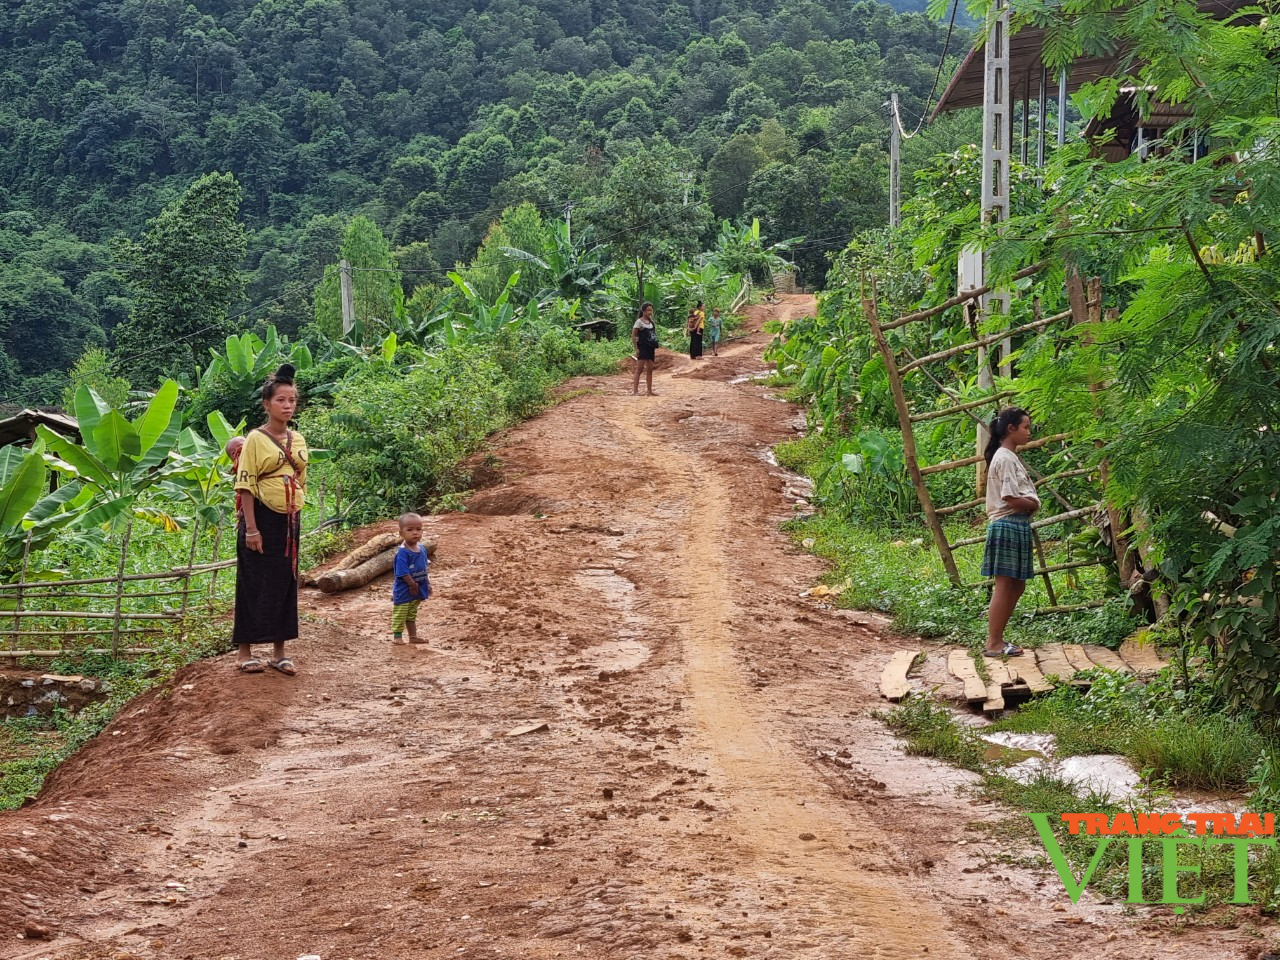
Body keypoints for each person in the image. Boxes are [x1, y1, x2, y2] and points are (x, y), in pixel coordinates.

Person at [233, 364, 309, 675]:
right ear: (267, 404)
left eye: (292, 400)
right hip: (260, 519)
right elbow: (245, 483)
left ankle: (280, 652)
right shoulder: (255, 438)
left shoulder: (299, 438)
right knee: (252, 581)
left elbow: (302, 476)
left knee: (285, 582)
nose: (287, 405)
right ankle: (244, 652)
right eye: (281, 400)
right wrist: (251, 529)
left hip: (290, 520)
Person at [981, 407, 1040, 658]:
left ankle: (997, 638)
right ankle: (994, 642)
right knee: (1005, 585)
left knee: (1016, 586)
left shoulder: (1008, 456)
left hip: (1016, 525)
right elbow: (1010, 497)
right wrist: (1034, 503)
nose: (1029, 432)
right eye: (1025, 427)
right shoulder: (1005, 457)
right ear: (1011, 429)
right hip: (1008, 523)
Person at [392, 513, 432, 644]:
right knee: (401, 612)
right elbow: (402, 572)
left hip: (418, 588)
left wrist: (428, 584)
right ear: (401, 533)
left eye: (418, 529)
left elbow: (424, 568)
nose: (415, 533)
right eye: (410, 530)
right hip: (405, 589)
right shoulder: (403, 552)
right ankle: (397, 636)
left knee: (411, 613)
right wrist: (411, 584)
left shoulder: (421, 549)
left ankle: (413, 637)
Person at [631, 302, 659, 396]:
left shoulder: (651, 322)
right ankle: (635, 391)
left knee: (650, 370)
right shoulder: (639, 322)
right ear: (643, 311)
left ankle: (649, 391)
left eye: (651, 310)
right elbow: (634, 335)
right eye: (647, 310)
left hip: (650, 348)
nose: (649, 312)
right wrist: (636, 348)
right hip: (642, 348)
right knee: (639, 369)